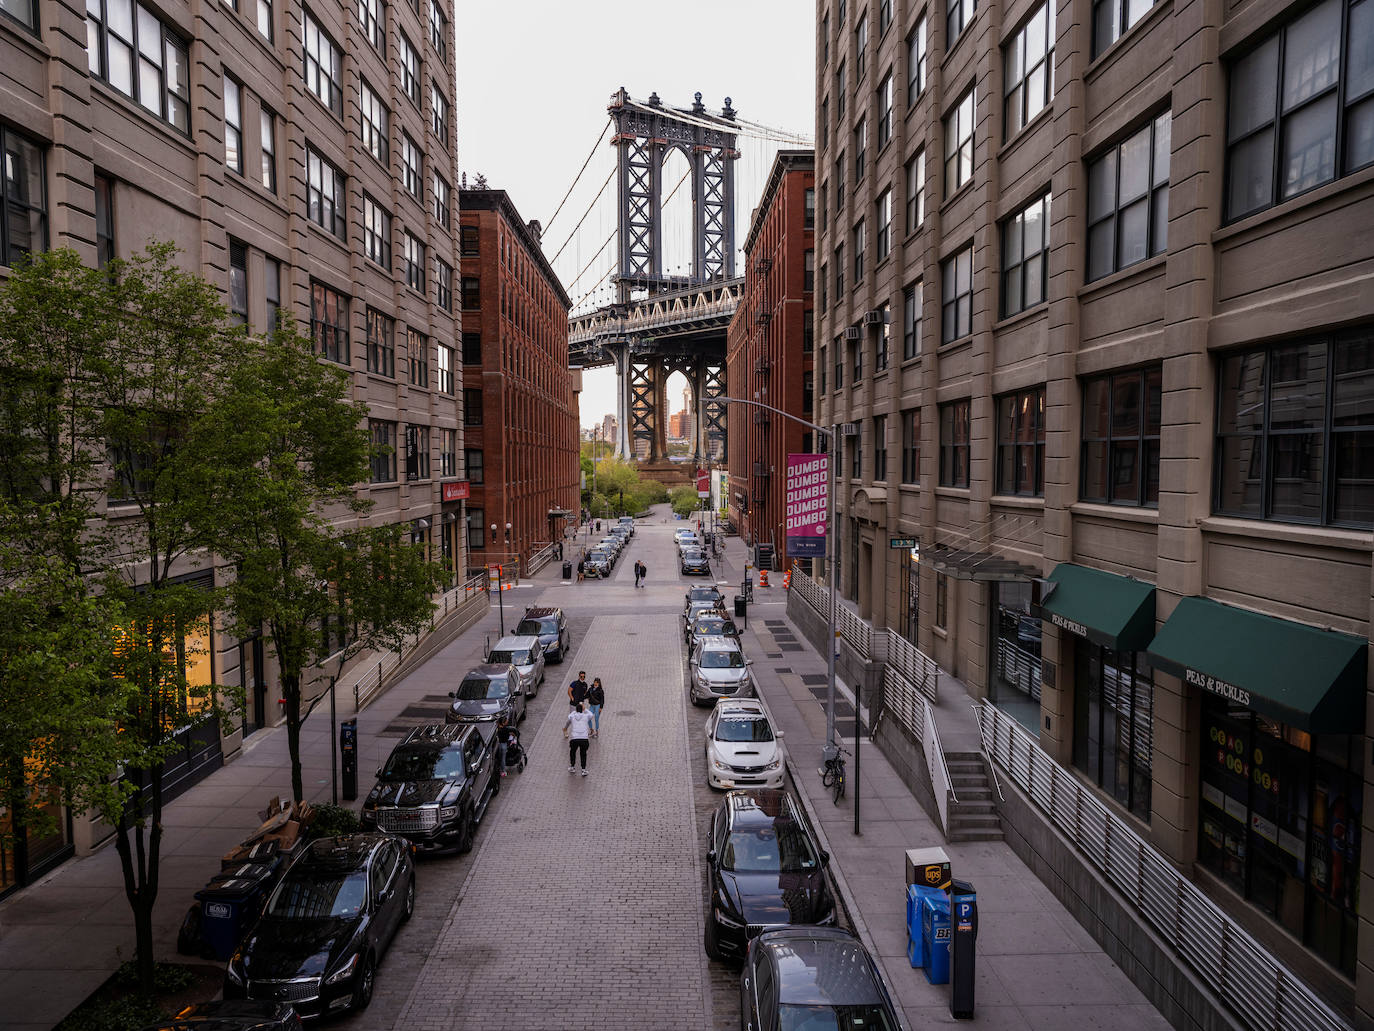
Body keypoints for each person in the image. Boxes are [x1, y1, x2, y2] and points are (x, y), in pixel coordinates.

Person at [564, 701, 595, 775]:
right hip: (584, 738)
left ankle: (572, 767)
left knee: (573, 752)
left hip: (574, 738)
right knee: (583, 753)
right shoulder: (586, 716)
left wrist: (575, 711)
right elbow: (591, 714)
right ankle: (583, 770)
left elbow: (569, 716)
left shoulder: (572, 716)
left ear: (576, 710)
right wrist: (585, 709)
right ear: (582, 710)